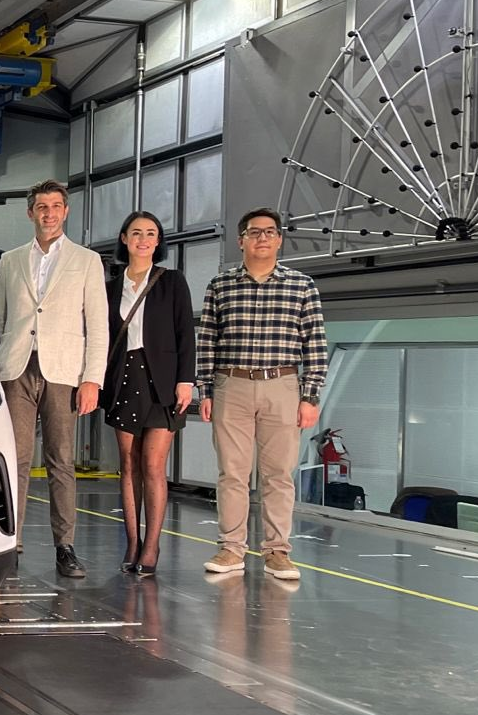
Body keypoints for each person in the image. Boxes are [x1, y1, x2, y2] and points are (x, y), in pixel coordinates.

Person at [197, 208, 327, 582]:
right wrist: (205, 389)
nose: (263, 238)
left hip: (282, 386)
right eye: (254, 232)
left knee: (278, 475)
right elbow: (207, 340)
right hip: (231, 384)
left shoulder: (301, 285)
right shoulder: (220, 285)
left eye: (270, 232)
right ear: (241, 241)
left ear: (280, 239)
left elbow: (315, 343)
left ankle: (277, 552)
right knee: (232, 473)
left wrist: (310, 396)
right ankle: (231, 548)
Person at [0, 180, 108, 578]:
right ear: (31, 213)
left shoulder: (86, 260)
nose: (49, 213)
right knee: (15, 459)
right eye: (42, 206)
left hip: (64, 372)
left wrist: (92, 379)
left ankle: (65, 546)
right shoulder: (9, 261)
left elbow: (98, 326)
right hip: (16, 369)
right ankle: (9, 543)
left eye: (56, 206)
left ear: (66, 211)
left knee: (60, 460)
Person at [101, 212, 195, 577]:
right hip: (123, 376)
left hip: (163, 380)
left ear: (158, 241)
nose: (143, 239)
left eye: (151, 233)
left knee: (153, 465)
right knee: (128, 464)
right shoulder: (110, 286)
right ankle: (132, 542)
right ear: (124, 238)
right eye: (136, 233)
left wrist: (186, 380)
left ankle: (152, 545)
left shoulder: (172, 281)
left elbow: (185, 332)